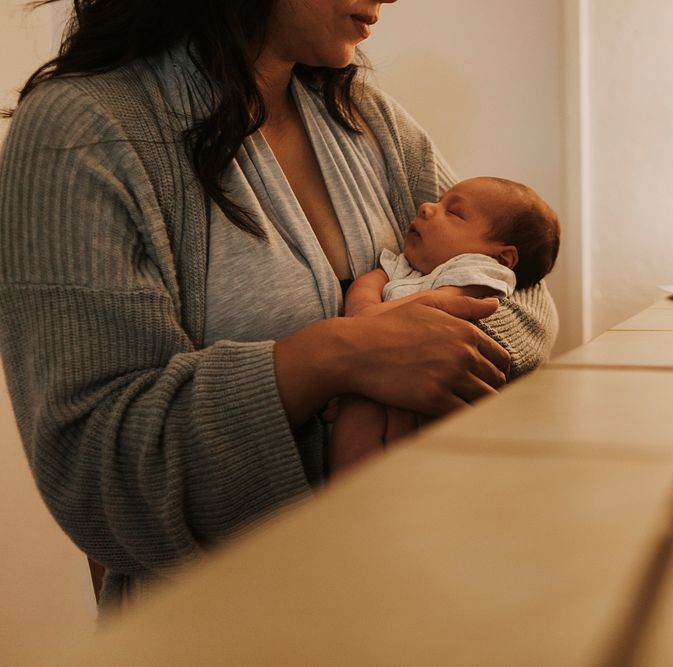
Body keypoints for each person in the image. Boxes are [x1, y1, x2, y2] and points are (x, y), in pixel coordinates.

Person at [0, 0, 557, 613]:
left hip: (411, 592)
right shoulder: (80, 132)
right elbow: (97, 472)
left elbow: (527, 298)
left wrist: (408, 341)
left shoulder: (362, 116)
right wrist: (334, 355)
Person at [329, 176, 560, 470]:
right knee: (357, 421)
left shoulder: (479, 272)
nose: (426, 207)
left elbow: (439, 307)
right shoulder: (406, 264)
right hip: (376, 371)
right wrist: (362, 313)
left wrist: (364, 326)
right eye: (439, 200)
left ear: (500, 257)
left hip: (422, 379)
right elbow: (366, 284)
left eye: (453, 212)